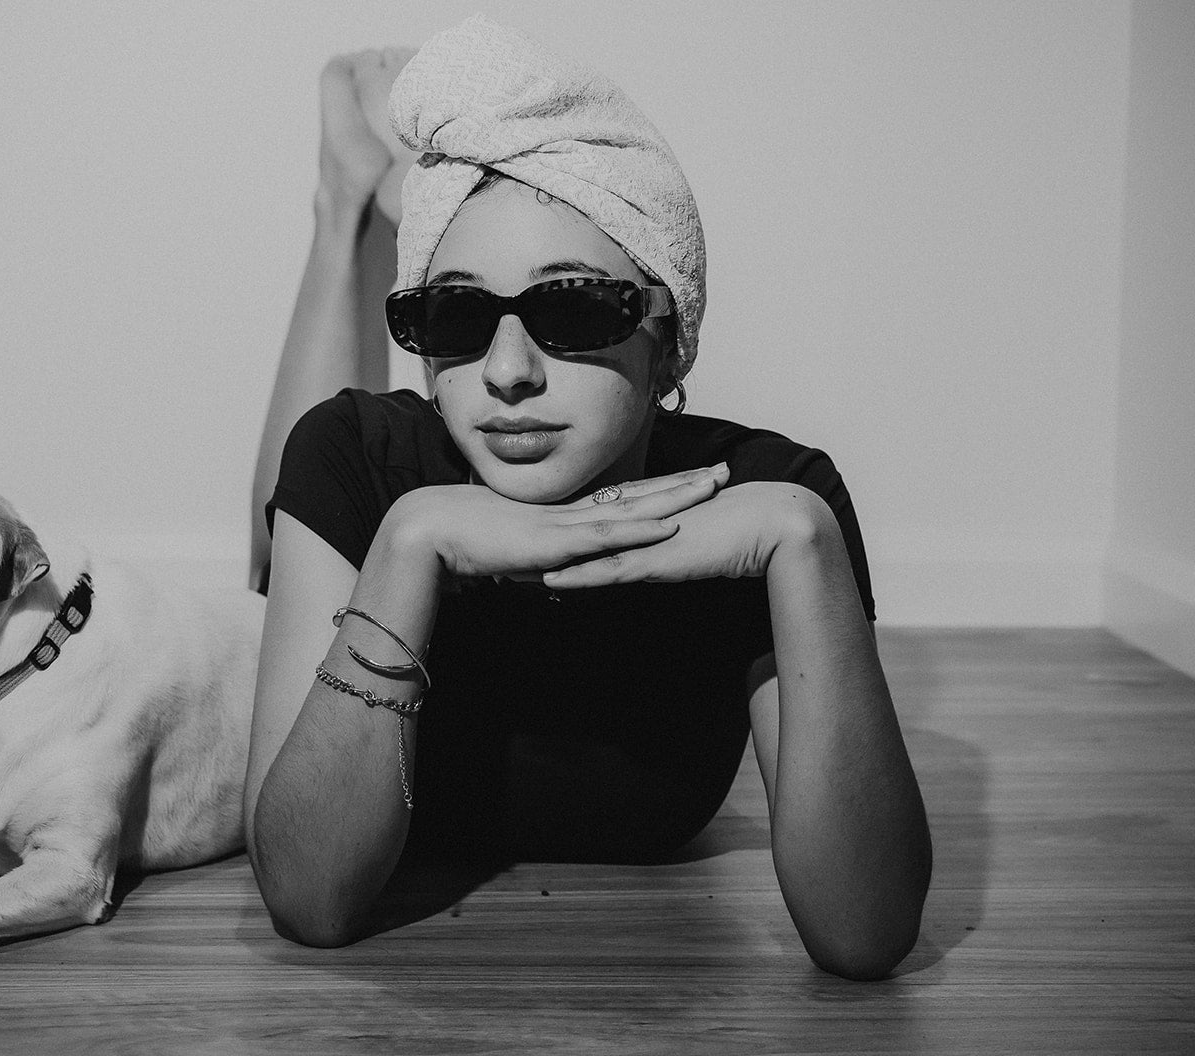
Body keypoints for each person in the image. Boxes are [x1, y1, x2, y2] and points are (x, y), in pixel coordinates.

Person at [243, 17, 931, 982]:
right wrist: (407, 546)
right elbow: (307, 899)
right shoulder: (367, 461)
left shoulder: (773, 501)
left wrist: (806, 542)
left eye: (572, 310)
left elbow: (865, 933)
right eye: (455, 314)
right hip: (361, 478)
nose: (509, 372)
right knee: (277, 525)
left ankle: (397, 203)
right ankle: (347, 203)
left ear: (669, 340)